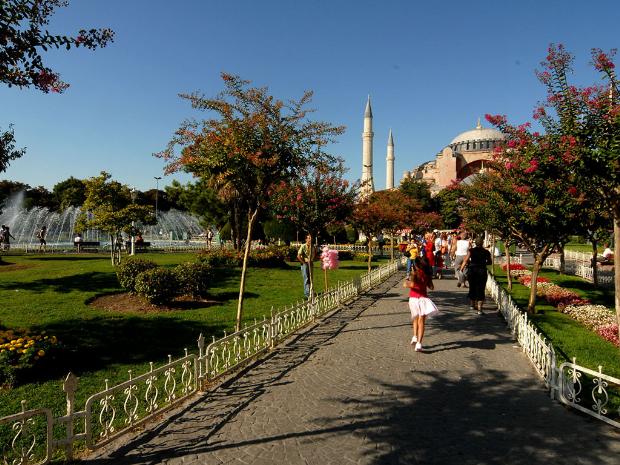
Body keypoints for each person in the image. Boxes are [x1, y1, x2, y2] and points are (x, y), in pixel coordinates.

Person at [404, 256, 438, 352]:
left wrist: (406, 283)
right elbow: (431, 287)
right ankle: (419, 343)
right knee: (421, 321)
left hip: (413, 299)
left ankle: (415, 336)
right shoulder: (426, 275)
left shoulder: (414, 274)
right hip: (423, 299)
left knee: (415, 318)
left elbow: (411, 284)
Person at [460, 236, 492, 314]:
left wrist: (461, 268)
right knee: (481, 288)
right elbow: (490, 262)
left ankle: (472, 304)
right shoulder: (486, 252)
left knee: (472, 286)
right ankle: (480, 309)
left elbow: (465, 260)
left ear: (475, 243)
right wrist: (483, 263)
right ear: (482, 243)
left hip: (472, 271)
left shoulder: (471, 251)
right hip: (481, 271)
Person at [297, 234, 315, 298]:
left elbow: (314, 254)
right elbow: (298, 256)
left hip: (310, 263)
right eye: (309, 238)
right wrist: (303, 263)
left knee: (311, 278)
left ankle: (311, 291)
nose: (310, 239)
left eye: (311, 238)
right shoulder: (303, 246)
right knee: (306, 278)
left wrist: (312, 260)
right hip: (305, 264)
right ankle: (307, 294)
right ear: (306, 239)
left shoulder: (312, 246)